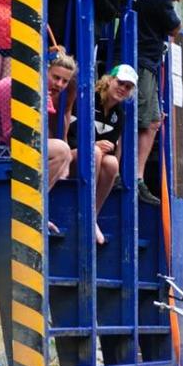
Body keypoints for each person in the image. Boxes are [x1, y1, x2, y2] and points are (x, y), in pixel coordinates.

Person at [130, 0, 183, 205]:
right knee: (149, 120)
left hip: (134, 57)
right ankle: (136, 177)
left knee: (146, 118)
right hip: (145, 62)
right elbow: (175, 28)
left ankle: (133, 175)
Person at [0, 50, 77, 192]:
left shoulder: (42, 93)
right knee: (61, 151)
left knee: (66, 154)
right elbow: (10, 135)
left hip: (13, 143)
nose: (59, 84)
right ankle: (31, 199)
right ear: (44, 70)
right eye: (56, 77)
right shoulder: (12, 86)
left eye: (65, 81)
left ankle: (39, 202)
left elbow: (42, 133)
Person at [67, 64, 138, 244]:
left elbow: (112, 148)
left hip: (93, 159)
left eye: (128, 87)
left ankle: (92, 217)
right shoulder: (87, 100)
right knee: (96, 152)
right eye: (120, 83)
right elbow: (70, 137)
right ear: (109, 80)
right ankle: (84, 211)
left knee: (112, 163)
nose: (123, 89)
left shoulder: (119, 114)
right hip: (71, 157)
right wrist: (93, 145)